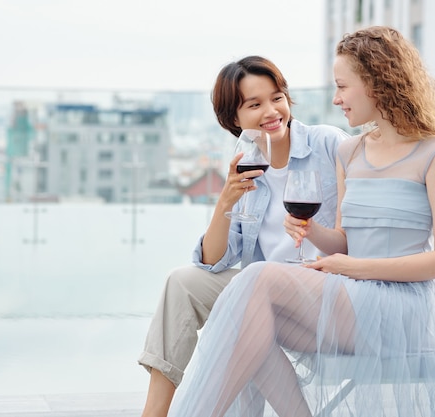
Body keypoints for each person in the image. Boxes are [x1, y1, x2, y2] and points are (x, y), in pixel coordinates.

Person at [166, 26, 435, 417]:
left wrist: (352, 268)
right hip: (354, 302)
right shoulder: (350, 152)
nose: (336, 99)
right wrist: (312, 231)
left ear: (376, 83)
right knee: (249, 324)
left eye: (342, 86)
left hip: (406, 310)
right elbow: (345, 242)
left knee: (258, 278)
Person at [137, 55, 349, 417]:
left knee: (247, 307)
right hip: (263, 291)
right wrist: (226, 199)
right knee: (182, 282)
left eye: (276, 97)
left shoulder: (329, 145)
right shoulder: (248, 166)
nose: (271, 111)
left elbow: (358, 232)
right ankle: (154, 412)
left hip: (322, 290)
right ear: (233, 120)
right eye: (255, 104)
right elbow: (213, 261)